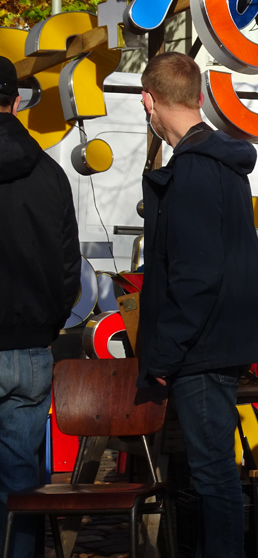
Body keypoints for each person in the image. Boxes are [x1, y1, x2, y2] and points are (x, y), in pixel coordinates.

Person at [137, 52, 258, 558]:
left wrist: (162, 352)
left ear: (148, 101)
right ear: (199, 97)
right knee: (215, 474)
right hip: (216, 344)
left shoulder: (196, 170)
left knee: (213, 477)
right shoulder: (221, 165)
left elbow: (197, 276)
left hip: (201, 348)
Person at [0, 57, 81, 558]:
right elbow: (69, 268)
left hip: (28, 340)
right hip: (31, 347)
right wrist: (47, 326)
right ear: (17, 99)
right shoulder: (50, 175)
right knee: (22, 482)